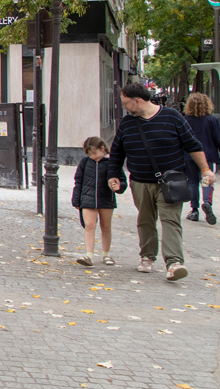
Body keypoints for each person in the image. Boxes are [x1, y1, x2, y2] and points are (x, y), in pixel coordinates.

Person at [108, 82, 214, 281]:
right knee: (146, 220)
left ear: (137, 101)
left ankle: (174, 263)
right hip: (140, 181)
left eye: (125, 103)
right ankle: (147, 257)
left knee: (171, 220)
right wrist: (114, 175)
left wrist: (206, 169)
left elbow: (193, 145)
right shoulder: (127, 123)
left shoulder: (172, 117)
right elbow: (117, 152)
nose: (124, 107)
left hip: (171, 181)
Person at [72, 136, 125, 267]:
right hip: (88, 199)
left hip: (106, 198)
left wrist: (119, 187)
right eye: (90, 154)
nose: (93, 156)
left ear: (102, 149)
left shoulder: (111, 163)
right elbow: (78, 181)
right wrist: (76, 199)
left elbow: (122, 180)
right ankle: (89, 254)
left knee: (106, 226)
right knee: (89, 225)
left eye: (94, 153)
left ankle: (106, 254)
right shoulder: (85, 163)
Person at [183, 92, 220, 224]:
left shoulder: (185, 120)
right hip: (208, 156)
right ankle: (207, 203)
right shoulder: (212, 120)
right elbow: (218, 139)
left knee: (192, 182)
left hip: (189, 156)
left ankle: (194, 210)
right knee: (207, 181)